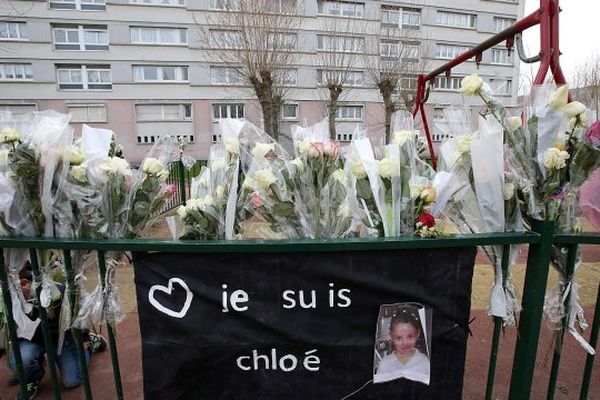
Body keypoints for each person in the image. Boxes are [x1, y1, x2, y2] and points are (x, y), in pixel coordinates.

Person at [8, 264, 107, 400]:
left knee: (72, 380)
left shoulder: (53, 283)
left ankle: (90, 343)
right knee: (20, 360)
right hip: (30, 339)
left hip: (61, 336)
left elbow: (75, 307)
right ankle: (32, 377)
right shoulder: (8, 291)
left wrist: (83, 336)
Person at [374, 306, 430, 384]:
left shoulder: (425, 363)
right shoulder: (384, 364)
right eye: (399, 338)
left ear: (417, 334)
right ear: (391, 337)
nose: (405, 343)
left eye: (410, 336)